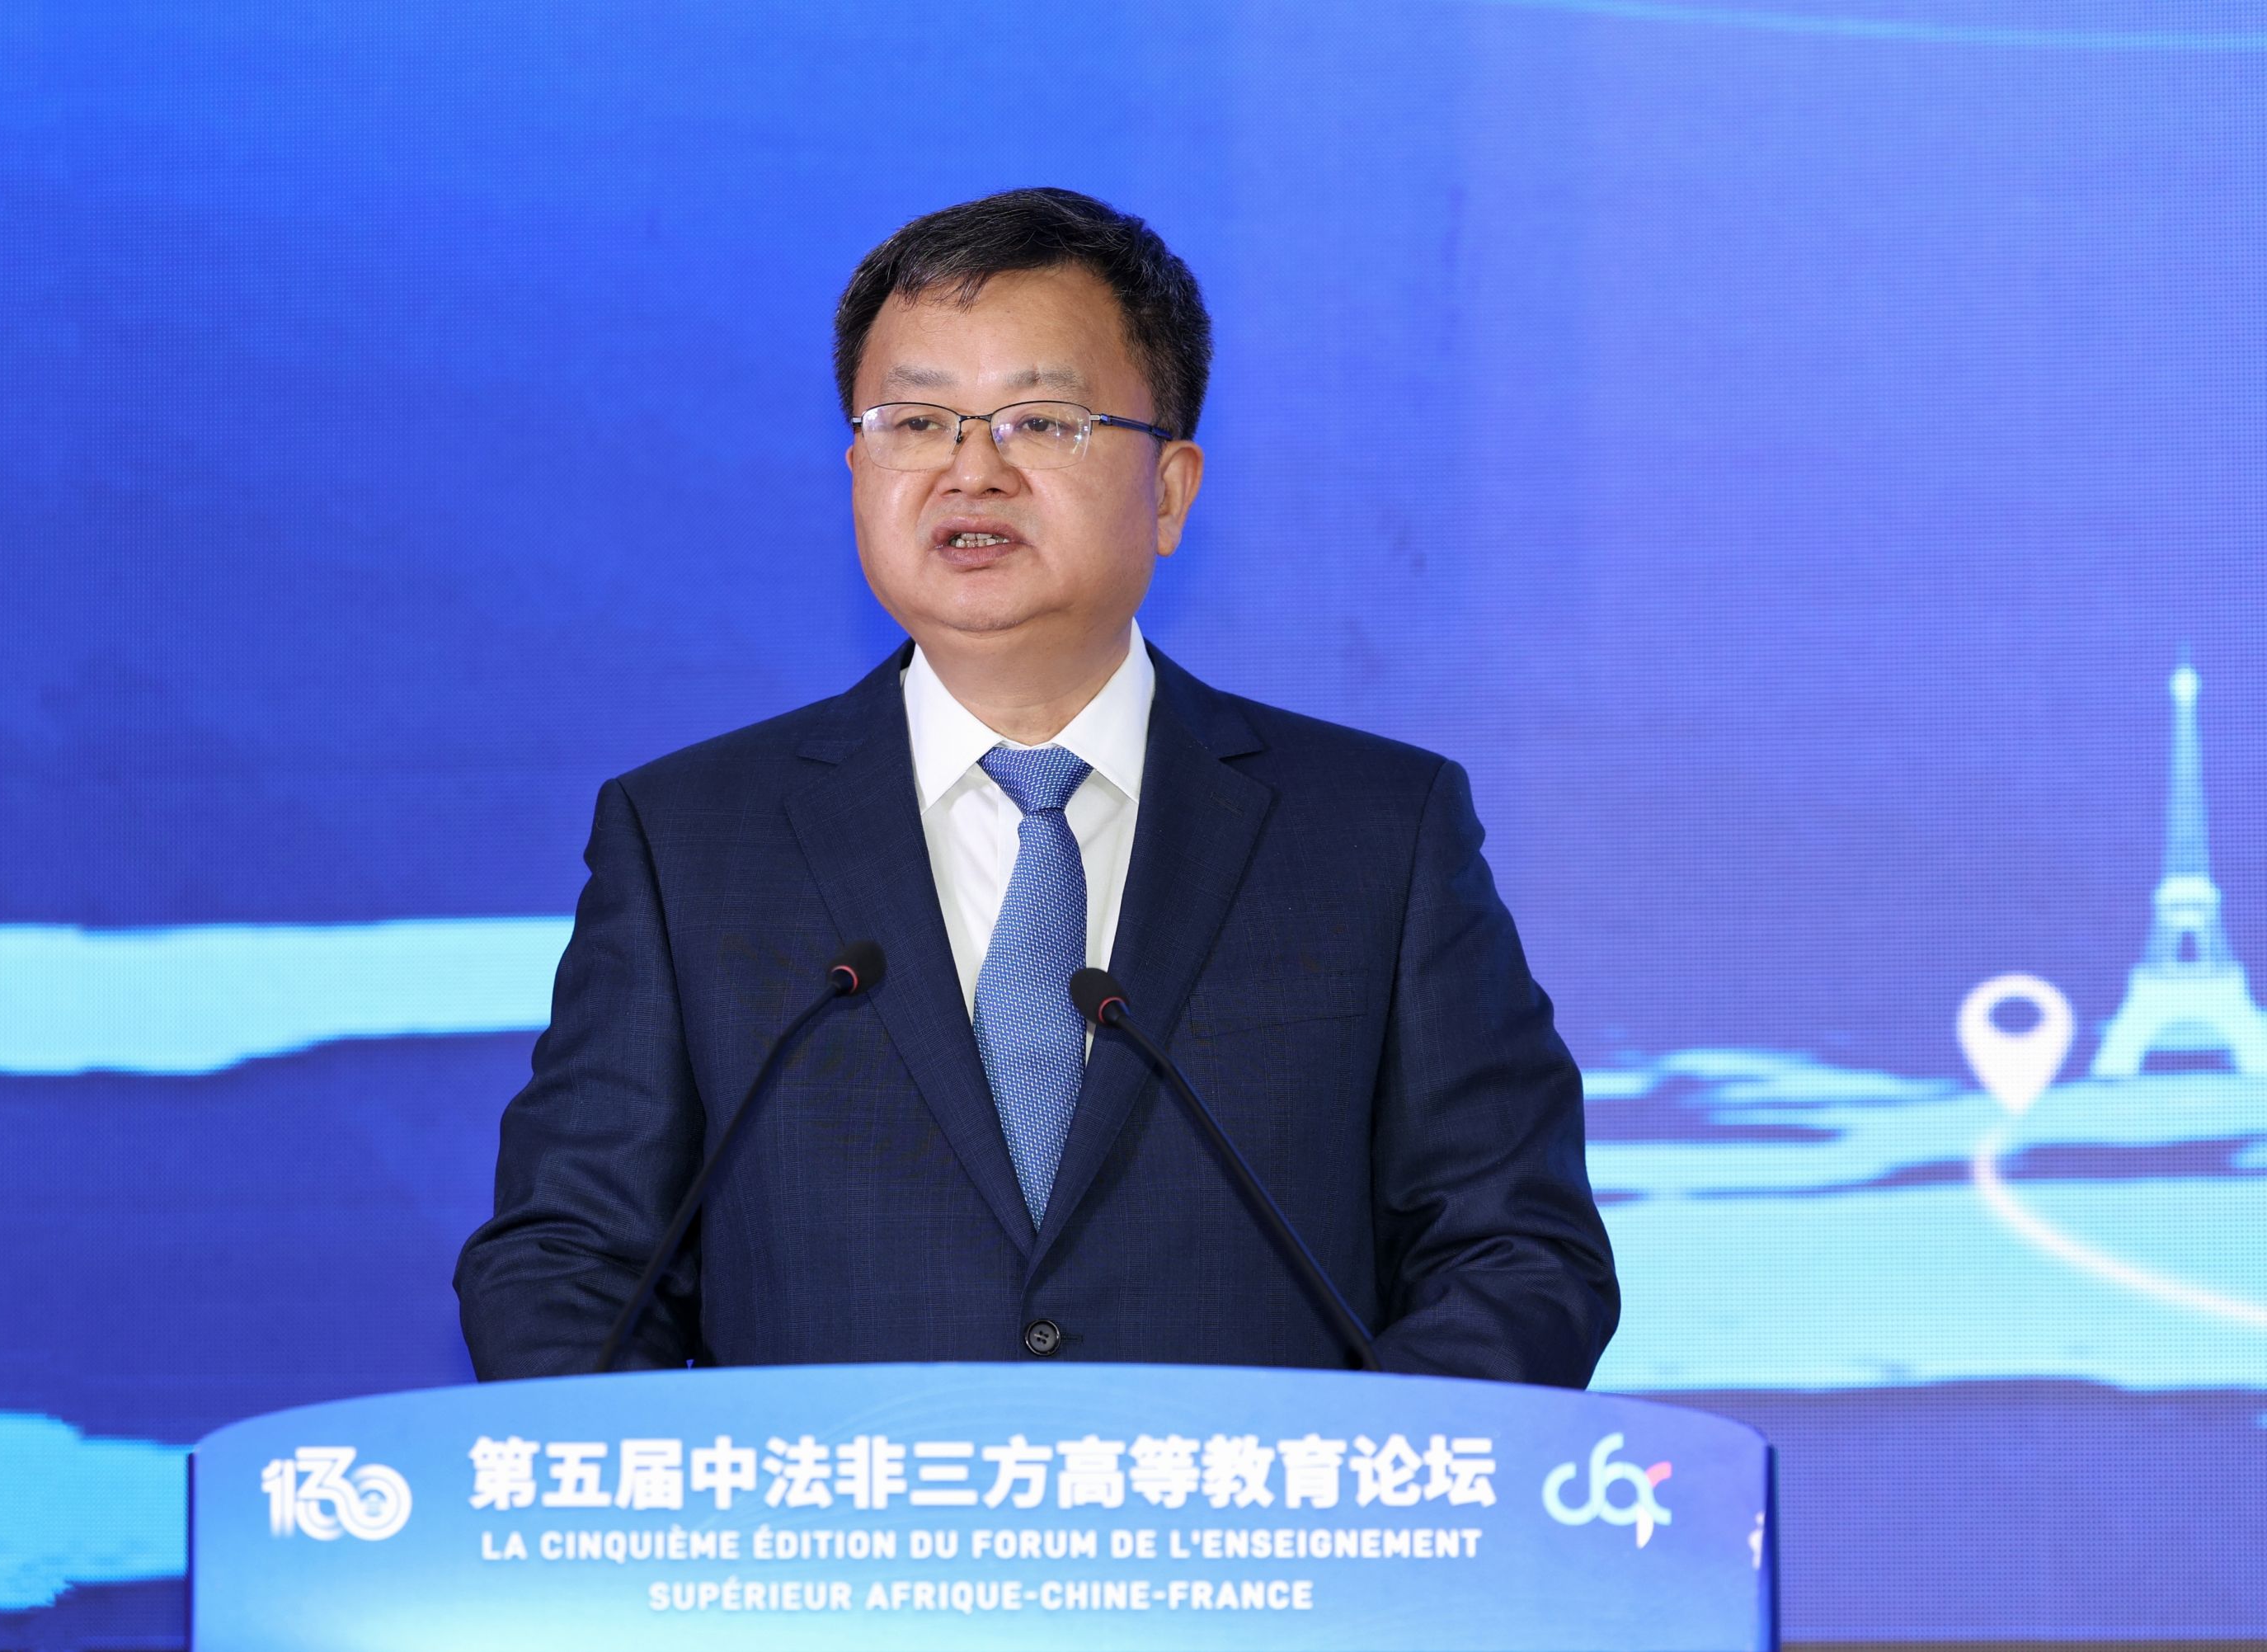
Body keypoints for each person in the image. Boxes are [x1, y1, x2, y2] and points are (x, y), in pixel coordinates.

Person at [455, 187, 1618, 1382]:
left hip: (1245, 1506)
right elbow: (567, 1265)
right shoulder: (689, 840)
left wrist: (1335, 1484)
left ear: (1169, 491)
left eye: (1042, 421)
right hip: (839, 1506)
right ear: (856, 468)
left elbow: (1517, 1253)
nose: (972, 470)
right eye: (917, 422)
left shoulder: (1377, 833)